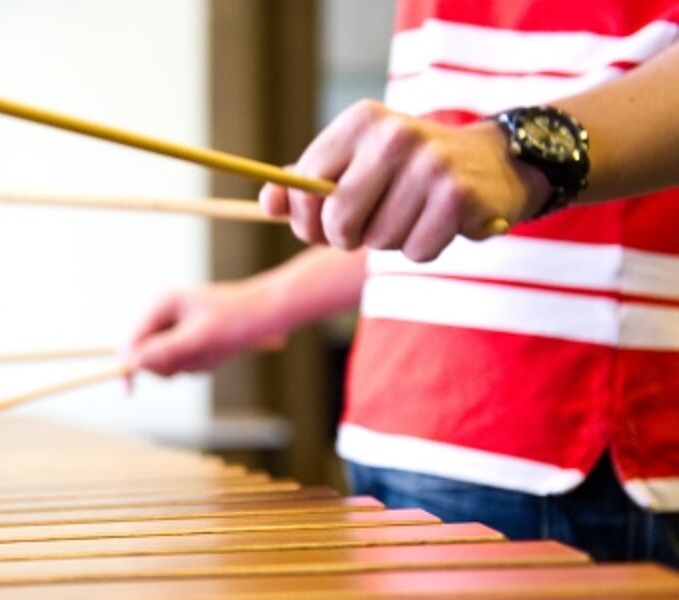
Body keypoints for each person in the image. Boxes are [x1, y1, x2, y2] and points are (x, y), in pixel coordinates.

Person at [125, 1, 679, 565]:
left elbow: (495, 166)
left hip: (568, 455)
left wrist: (517, 150)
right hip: (391, 423)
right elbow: (447, 216)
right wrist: (264, 302)